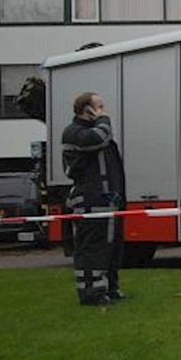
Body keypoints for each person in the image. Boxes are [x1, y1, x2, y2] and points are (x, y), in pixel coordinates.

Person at [62, 92, 127, 305]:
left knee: (111, 248)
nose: (103, 110)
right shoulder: (75, 133)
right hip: (91, 203)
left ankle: (110, 289)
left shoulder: (97, 133)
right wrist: (103, 119)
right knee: (93, 249)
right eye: (98, 106)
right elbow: (99, 138)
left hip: (108, 202)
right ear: (86, 109)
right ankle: (91, 293)